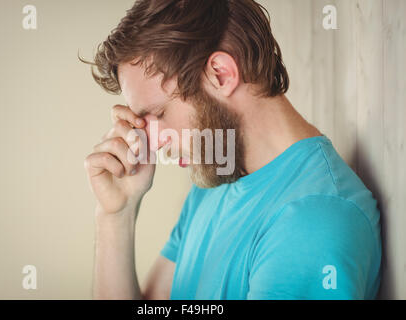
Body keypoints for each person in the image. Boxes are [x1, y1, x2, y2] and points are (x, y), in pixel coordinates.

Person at [83, 0, 381, 300]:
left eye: (158, 114)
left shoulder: (313, 221)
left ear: (221, 75)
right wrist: (116, 214)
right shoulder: (215, 177)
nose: (152, 141)